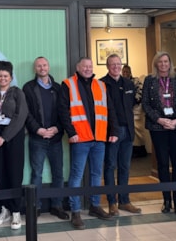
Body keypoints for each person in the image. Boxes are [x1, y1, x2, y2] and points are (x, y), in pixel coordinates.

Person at [59, 57, 118, 230]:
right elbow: (63, 111)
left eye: (90, 66)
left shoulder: (100, 85)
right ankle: (75, 211)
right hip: (80, 139)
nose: (87, 69)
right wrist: (71, 133)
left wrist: (113, 131)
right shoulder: (68, 84)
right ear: (77, 68)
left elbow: (110, 109)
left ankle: (95, 206)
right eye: (84, 66)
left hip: (99, 138)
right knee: (76, 175)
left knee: (95, 174)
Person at [22, 56, 69, 220]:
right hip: (38, 138)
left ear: (48, 66)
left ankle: (57, 205)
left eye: (44, 65)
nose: (42, 68)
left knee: (58, 174)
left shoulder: (58, 87)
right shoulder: (28, 88)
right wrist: (39, 130)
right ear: (35, 69)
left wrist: (57, 128)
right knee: (36, 174)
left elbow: (64, 111)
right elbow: (26, 114)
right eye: (39, 66)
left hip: (56, 138)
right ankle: (35, 206)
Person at [142, 51, 176, 215]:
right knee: (162, 164)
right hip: (158, 127)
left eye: (166, 61)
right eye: (160, 62)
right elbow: (145, 104)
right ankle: (166, 200)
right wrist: (160, 120)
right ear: (156, 64)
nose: (163, 64)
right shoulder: (149, 81)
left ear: (170, 63)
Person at [0, 60, 28, 230]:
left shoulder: (17, 93)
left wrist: (5, 137)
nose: (2, 78)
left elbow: (20, 116)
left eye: (5, 76)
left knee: (14, 173)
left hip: (13, 137)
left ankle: (16, 211)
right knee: (0, 173)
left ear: (11, 77)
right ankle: (4, 209)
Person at [100, 55, 142, 216]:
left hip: (128, 131)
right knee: (110, 166)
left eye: (118, 64)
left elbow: (132, 105)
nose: (116, 67)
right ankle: (112, 202)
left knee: (125, 167)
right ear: (107, 66)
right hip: (112, 133)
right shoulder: (102, 84)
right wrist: (113, 131)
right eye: (113, 64)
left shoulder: (129, 83)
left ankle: (125, 201)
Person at [123, 65, 147, 158]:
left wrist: (132, 102)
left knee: (138, 130)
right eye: (123, 72)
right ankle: (132, 150)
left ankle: (141, 149)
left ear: (130, 72)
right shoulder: (121, 81)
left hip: (136, 108)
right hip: (126, 110)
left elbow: (140, 93)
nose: (125, 73)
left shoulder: (136, 81)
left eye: (127, 71)